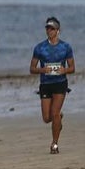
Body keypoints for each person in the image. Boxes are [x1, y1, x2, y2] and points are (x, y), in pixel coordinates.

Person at [30, 16, 75, 154]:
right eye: (47, 28)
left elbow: (72, 68)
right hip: (45, 84)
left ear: (58, 30)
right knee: (47, 118)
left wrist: (64, 70)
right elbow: (32, 68)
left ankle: (54, 144)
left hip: (60, 83)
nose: (49, 31)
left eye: (52, 28)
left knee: (54, 113)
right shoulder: (39, 47)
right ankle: (58, 118)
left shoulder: (65, 47)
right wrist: (42, 70)